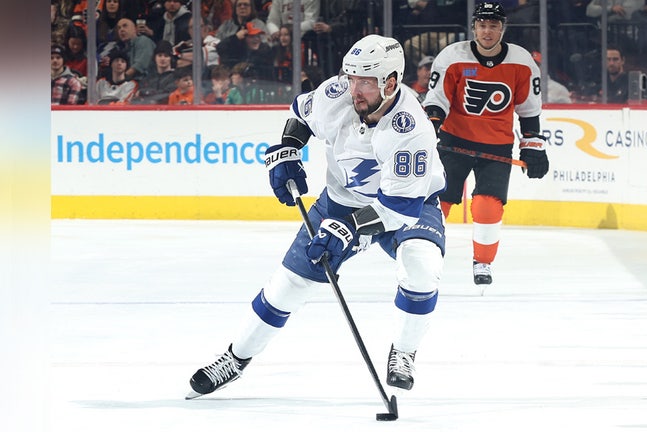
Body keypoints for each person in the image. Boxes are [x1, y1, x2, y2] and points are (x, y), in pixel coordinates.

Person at [187, 34, 447, 399]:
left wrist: (351, 228)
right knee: (289, 286)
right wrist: (288, 149)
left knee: (421, 264)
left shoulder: (411, 129)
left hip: (411, 203)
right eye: (352, 77)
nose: (355, 89)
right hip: (340, 201)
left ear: (391, 82)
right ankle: (235, 358)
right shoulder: (338, 93)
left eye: (366, 82)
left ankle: (403, 352)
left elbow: (398, 209)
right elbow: (300, 116)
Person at [422, 2, 548, 286]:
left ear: (502, 28)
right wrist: (430, 131)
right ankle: (426, 254)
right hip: (454, 141)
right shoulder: (452, 57)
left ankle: (483, 262)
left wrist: (533, 146)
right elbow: (437, 100)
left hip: (497, 146)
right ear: (474, 27)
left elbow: (529, 109)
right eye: (482, 25)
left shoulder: (522, 61)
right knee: (438, 201)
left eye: (493, 25)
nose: (487, 31)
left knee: (487, 206)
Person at [132, 40, 177, 104]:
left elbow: (167, 95)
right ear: (155, 58)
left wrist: (144, 92)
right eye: (159, 55)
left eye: (166, 56)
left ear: (171, 58)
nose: (162, 58)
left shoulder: (175, 77)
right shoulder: (147, 79)